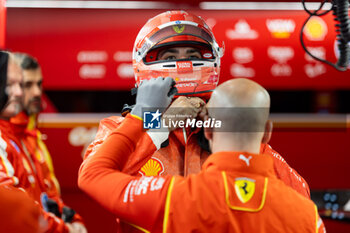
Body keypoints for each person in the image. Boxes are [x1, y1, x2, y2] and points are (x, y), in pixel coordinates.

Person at [84, 10, 310, 231]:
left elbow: (298, 194)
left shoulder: (220, 127)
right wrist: (160, 123)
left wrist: (233, 125)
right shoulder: (117, 127)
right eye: (171, 57)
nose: (184, 64)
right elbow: (99, 177)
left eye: (192, 55)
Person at [78, 77, 326, 233]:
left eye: (193, 54)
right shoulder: (307, 214)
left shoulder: (173, 199)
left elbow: (93, 174)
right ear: (267, 132)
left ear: (207, 128)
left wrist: (146, 116)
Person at [0, 51, 85, 233]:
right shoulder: (6, 138)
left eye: (39, 84)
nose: (36, 92)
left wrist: (73, 219)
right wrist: (66, 229)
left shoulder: (31, 137)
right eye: (26, 84)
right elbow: (14, 207)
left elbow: (49, 195)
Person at [0, 50, 43, 233]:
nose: (19, 92)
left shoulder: (28, 133)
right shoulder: (7, 137)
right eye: (11, 84)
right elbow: (15, 205)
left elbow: (44, 192)